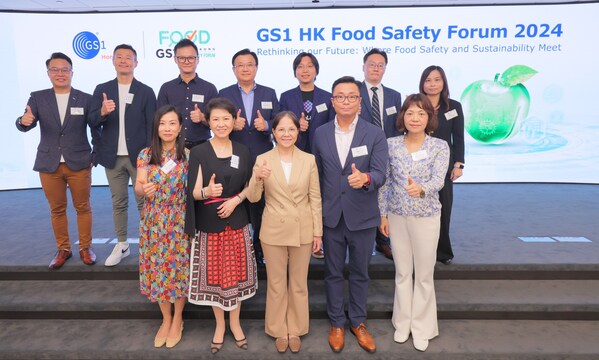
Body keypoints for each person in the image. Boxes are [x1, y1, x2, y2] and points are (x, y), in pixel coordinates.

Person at [312, 76, 388, 354]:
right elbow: (315, 176)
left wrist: (366, 178)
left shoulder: (375, 133)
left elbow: (381, 173)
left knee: (359, 272)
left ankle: (358, 321)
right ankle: (336, 323)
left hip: (363, 216)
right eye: (340, 96)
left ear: (360, 102)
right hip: (331, 216)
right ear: (332, 101)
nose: (345, 101)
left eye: (351, 96)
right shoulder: (319, 133)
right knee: (332, 272)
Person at [246, 111, 323, 354]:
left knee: (299, 283)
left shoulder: (308, 159)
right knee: (277, 283)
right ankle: (279, 328)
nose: (286, 134)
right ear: (274, 132)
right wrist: (257, 178)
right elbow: (253, 197)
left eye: (291, 129)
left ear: (297, 133)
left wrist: (318, 233)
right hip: (274, 228)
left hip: (303, 227)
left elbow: (315, 198)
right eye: (281, 129)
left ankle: (296, 329)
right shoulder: (262, 159)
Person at [185, 98, 256, 354]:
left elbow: (251, 186)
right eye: (215, 119)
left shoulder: (243, 151)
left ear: (234, 120)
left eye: (226, 118)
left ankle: (235, 325)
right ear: (208, 122)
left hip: (236, 221)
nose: (221, 123)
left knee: (235, 278)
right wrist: (207, 191)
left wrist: (236, 201)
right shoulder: (200, 151)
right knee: (216, 280)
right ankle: (219, 326)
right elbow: (193, 193)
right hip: (210, 223)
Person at [378, 94, 449, 352]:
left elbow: (438, 180)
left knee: (424, 274)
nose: (415, 118)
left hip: (426, 216)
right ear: (402, 117)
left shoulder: (439, 146)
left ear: (429, 117)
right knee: (402, 272)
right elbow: (385, 183)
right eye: (410, 113)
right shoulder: (390, 144)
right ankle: (402, 323)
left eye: (421, 113)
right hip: (397, 216)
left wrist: (421, 189)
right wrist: (382, 214)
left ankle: (422, 327)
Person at [16, 52, 98, 269]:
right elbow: (26, 122)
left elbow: (96, 127)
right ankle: (63, 249)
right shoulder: (38, 97)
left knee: (83, 206)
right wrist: (22, 121)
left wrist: (94, 155)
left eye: (64, 69)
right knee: (57, 209)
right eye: (55, 69)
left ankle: (85, 247)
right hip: (49, 162)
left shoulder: (86, 98)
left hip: (79, 162)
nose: (60, 73)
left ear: (72, 72)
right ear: (48, 73)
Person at [89, 44, 157, 267]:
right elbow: (92, 122)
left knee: (144, 203)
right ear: (113, 61)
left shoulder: (146, 91)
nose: (124, 60)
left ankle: (149, 244)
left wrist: (149, 157)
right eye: (119, 57)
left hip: (139, 158)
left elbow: (151, 126)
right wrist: (102, 112)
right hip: (112, 157)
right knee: (118, 202)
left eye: (129, 57)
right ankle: (122, 244)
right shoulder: (102, 89)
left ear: (136, 63)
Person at [134, 105, 189, 349]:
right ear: (156, 127)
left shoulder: (188, 155)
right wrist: (142, 189)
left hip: (178, 220)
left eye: (172, 123)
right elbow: (138, 185)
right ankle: (165, 319)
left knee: (178, 270)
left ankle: (178, 318)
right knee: (157, 270)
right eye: (162, 124)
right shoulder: (145, 155)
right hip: (154, 221)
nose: (167, 128)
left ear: (179, 128)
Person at [218, 48, 280, 267]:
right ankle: (239, 250)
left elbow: (279, 123)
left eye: (250, 64)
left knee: (262, 206)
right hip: (234, 157)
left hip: (263, 158)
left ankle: (259, 248)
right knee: (239, 204)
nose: (245, 68)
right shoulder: (224, 93)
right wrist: (231, 124)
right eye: (240, 65)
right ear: (234, 69)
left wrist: (268, 126)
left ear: (256, 67)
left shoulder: (269, 93)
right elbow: (216, 123)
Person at [359, 48, 402, 261]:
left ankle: (383, 241)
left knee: (383, 195)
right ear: (363, 67)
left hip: (387, 153)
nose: (376, 68)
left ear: (384, 69)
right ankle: (362, 241)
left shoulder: (394, 95)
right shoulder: (353, 92)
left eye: (380, 65)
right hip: (360, 154)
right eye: (372, 64)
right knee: (364, 196)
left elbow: (398, 127)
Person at [420, 65, 465, 265]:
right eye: (428, 80)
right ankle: (421, 250)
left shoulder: (454, 106)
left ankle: (442, 251)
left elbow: (459, 137)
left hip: (444, 167)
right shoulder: (416, 103)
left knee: (444, 208)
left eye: (437, 79)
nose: (432, 84)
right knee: (419, 208)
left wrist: (459, 164)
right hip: (418, 164)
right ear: (422, 83)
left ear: (444, 82)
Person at [157, 39, 218, 149]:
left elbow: (218, 123)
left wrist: (203, 118)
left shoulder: (209, 88)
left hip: (201, 147)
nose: (186, 61)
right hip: (172, 147)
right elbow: (159, 121)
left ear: (197, 59)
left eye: (191, 58)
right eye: (182, 58)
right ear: (175, 59)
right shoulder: (166, 88)